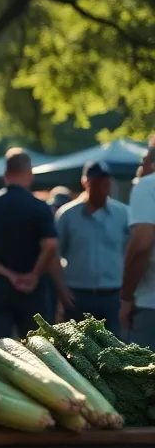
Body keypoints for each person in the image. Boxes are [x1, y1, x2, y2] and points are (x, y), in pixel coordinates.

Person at [0, 148, 59, 337]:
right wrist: (34, 274)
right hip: (33, 289)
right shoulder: (40, 208)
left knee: (0, 346)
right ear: (30, 174)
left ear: (5, 174)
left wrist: (8, 275)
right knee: (36, 347)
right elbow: (50, 245)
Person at [49, 162, 127, 329]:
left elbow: (132, 252)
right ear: (85, 183)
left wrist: (129, 292)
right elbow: (53, 255)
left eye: (106, 183)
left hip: (113, 297)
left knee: (115, 350)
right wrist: (62, 290)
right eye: (96, 183)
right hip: (78, 296)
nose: (102, 188)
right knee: (79, 349)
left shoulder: (123, 214)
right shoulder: (67, 215)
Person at [121, 138, 155, 347]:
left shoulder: (147, 185)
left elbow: (142, 243)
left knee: (143, 376)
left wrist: (125, 296)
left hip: (151, 304)